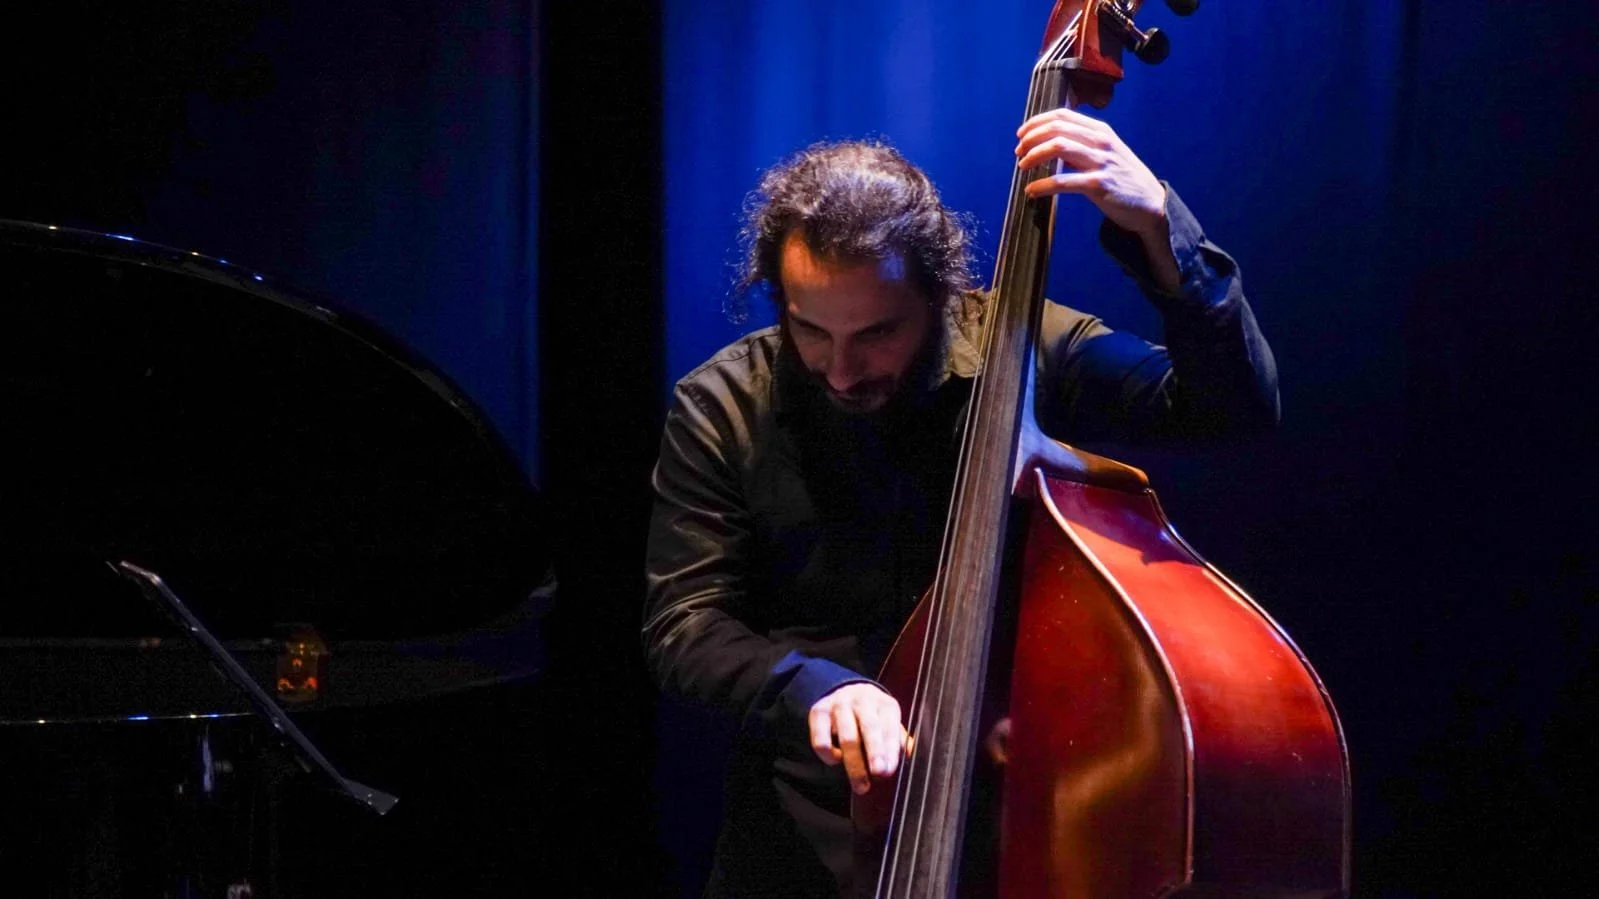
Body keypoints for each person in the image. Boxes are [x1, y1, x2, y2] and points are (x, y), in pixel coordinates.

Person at [642, 108, 1279, 898]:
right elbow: (684, 622)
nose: (839, 371)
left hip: (1020, 819)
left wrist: (1159, 229)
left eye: (876, 334)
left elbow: (1230, 409)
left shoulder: (1025, 344)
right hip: (803, 837)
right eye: (809, 331)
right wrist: (813, 684)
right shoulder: (720, 405)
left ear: (939, 295)